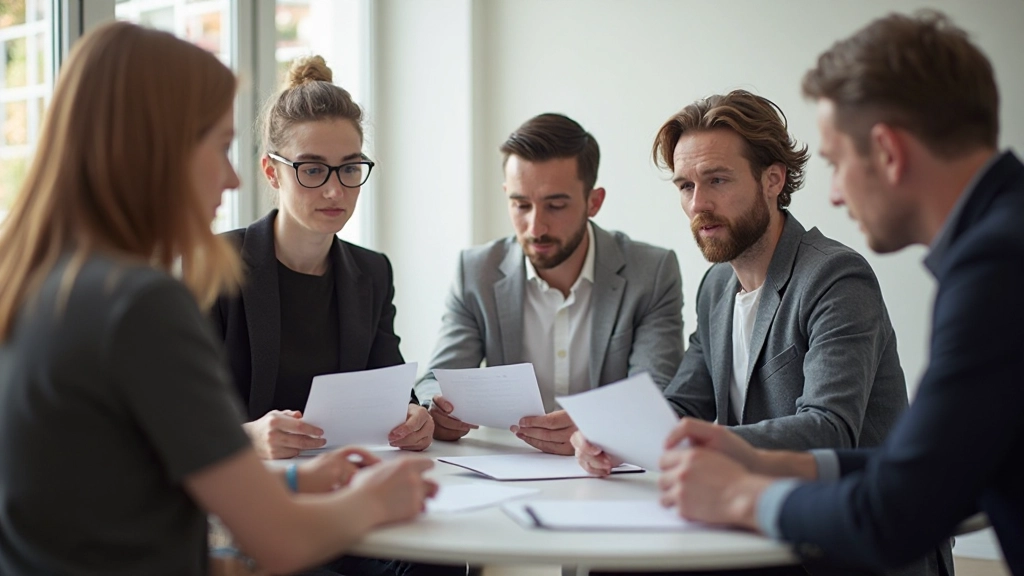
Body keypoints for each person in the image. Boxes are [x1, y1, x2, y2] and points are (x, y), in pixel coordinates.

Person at [0, 22, 435, 576]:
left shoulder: (39, 280)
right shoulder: (139, 304)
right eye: (220, 145)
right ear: (154, 149)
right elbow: (279, 540)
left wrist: (300, 479)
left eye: (348, 168)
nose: (232, 179)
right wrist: (382, 497)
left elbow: (122, 496)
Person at [655, 11, 1024, 576]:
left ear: (888, 152)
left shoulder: (994, 267)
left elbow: (897, 505)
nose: (830, 195)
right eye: (685, 185)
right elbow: (946, 468)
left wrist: (741, 493)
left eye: (834, 163)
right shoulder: (1000, 241)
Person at [573, 90, 948, 576]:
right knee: (611, 558)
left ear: (773, 180)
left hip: (852, 544)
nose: (698, 204)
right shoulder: (715, 286)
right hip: (760, 528)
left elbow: (829, 428)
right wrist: (613, 434)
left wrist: (710, 445)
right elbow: (685, 403)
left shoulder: (835, 277)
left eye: (718, 180)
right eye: (685, 186)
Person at [415, 113, 684, 455]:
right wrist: (439, 411)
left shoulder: (651, 272)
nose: (535, 226)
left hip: (608, 472)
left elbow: (656, 393)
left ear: (594, 202)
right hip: (507, 466)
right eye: (520, 204)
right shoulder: (476, 271)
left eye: (555, 205)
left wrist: (596, 425)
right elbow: (435, 380)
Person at [211, 56, 433, 460]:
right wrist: (249, 438)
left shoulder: (372, 272)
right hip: (243, 491)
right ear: (271, 171)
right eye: (313, 170)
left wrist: (416, 417)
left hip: (346, 479)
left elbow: (395, 394)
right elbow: (172, 417)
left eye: (349, 169)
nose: (335, 191)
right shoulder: (217, 262)